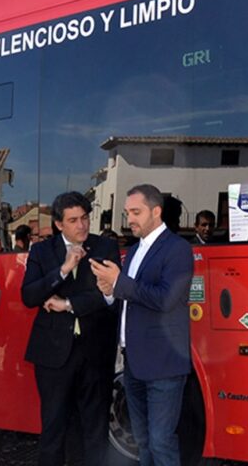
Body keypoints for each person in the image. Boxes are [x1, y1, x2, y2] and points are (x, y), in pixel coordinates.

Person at [92, 184, 193, 466]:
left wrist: (119, 282)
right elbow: (129, 297)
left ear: (156, 211)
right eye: (127, 213)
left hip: (163, 363)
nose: (130, 219)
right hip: (134, 362)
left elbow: (166, 299)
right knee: (143, 440)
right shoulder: (135, 250)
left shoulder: (178, 249)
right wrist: (109, 291)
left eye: (136, 212)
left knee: (160, 441)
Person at [21, 192, 121, 466]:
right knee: (53, 427)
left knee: (95, 429)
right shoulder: (42, 251)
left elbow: (108, 297)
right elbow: (29, 296)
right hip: (53, 354)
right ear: (59, 224)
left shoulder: (105, 247)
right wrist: (64, 269)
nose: (82, 225)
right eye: (73, 220)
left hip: (95, 352)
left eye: (85, 218)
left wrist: (67, 304)